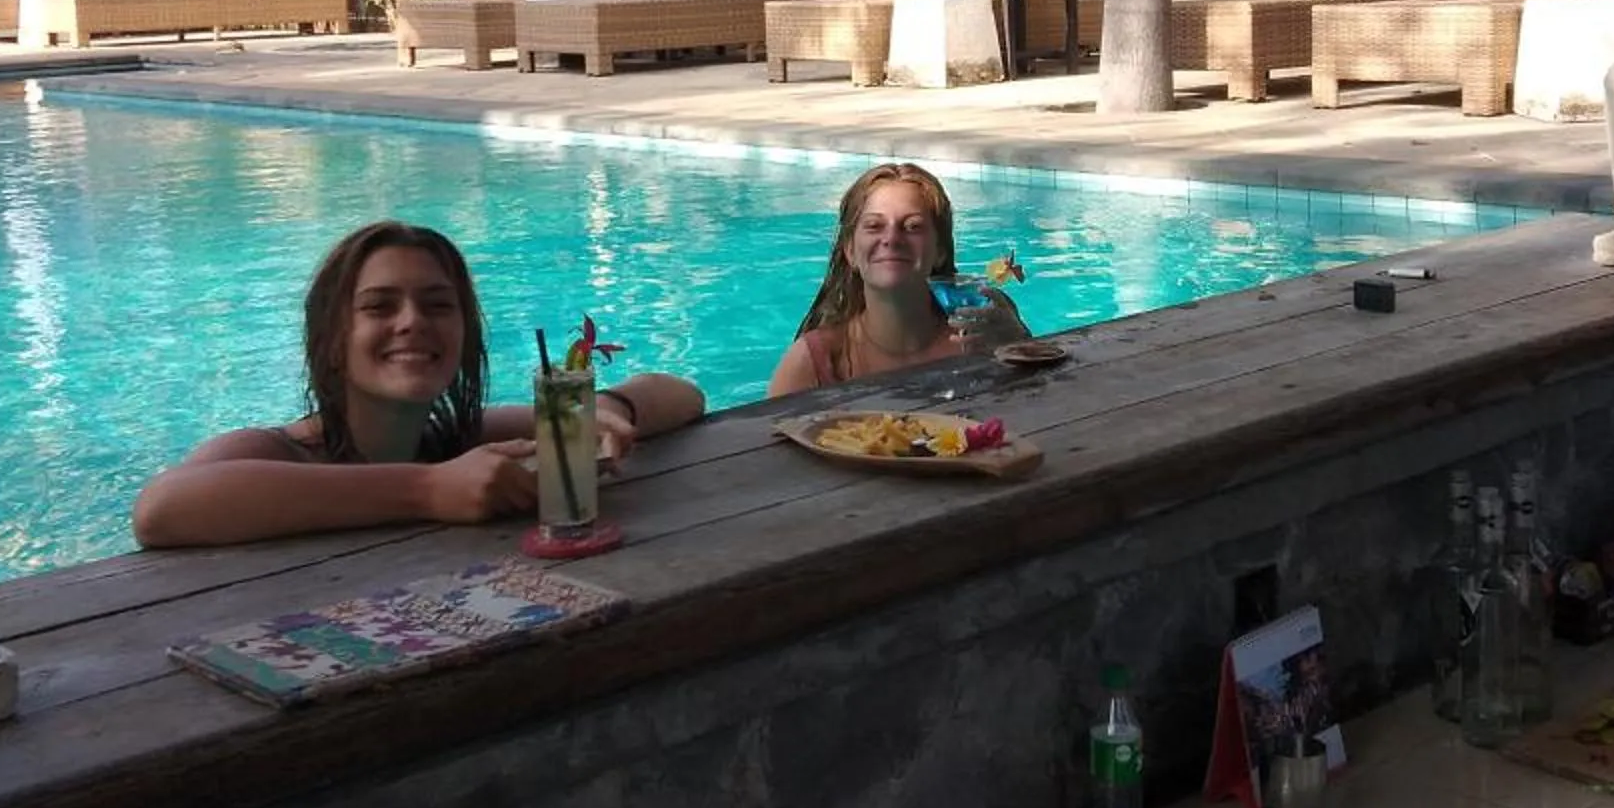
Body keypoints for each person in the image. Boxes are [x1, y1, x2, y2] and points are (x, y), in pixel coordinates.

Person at [136, 221, 704, 547]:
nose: (412, 322)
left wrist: (603, 409)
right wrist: (429, 490)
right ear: (334, 339)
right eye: (379, 306)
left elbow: (680, 392)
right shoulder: (282, 453)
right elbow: (161, 509)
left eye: (438, 305)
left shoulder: (460, 439)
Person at [767, 162, 1028, 397]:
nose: (891, 238)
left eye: (913, 226)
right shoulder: (816, 363)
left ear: (940, 251)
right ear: (850, 251)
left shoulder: (989, 328)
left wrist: (1019, 348)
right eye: (874, 226)